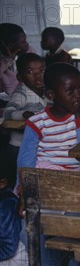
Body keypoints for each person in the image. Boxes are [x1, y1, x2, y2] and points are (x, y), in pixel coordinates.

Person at [16, 62, 80, 266]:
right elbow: (26, 162)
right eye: (71, 91)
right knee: (31, 226)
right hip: (43, 185)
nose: (78, 96)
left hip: (73, 188)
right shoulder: (37, 122)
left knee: (60, 226)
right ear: (51, 95)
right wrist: (23, 195)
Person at [2, 53, 48, 188]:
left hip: (36, 146)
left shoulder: (47, 92)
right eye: (30, 72)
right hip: (18, 146)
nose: (37, 75)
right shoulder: (21, 93)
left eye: (41, 70)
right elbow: (8, 112)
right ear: (20, 77)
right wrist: (24, 114)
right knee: (20, 179)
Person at [0, 23, 30, 96]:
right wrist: (7, 61)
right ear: (10, 45)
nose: (27, 44)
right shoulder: (2, 62)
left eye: (25, 40)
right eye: (23, 42)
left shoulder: (28, 53)